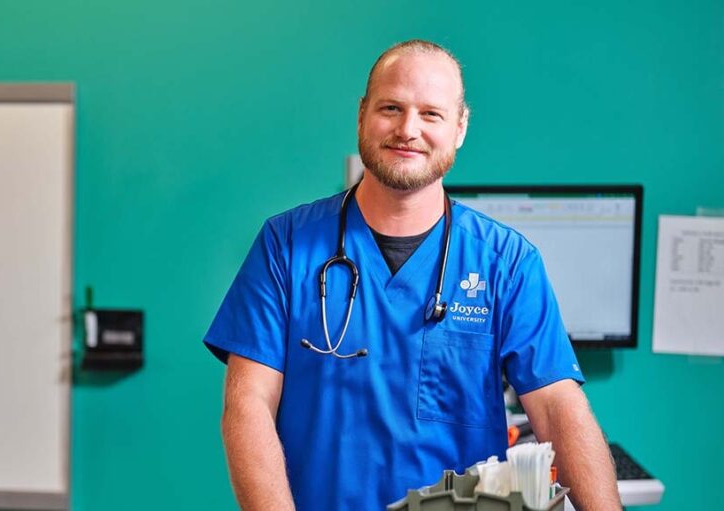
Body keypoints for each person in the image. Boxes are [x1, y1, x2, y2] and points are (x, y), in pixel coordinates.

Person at [204, 39, 621, 511]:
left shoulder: (505, 262)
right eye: (391, 108)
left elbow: (558, 408)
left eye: (431, 114)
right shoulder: (286, 245)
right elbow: (248, 406)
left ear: (460, 127)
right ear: (362, 114)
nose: (408, 129)